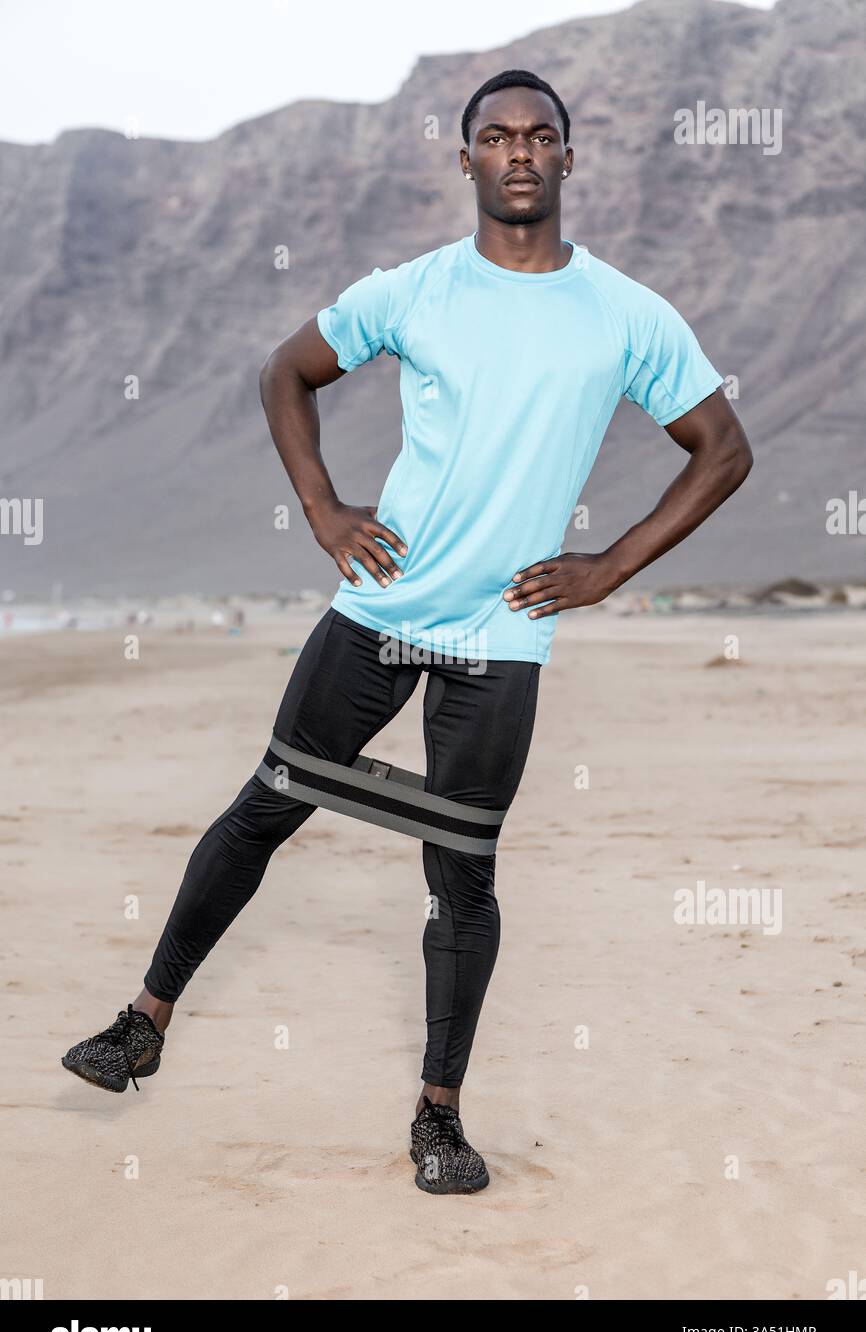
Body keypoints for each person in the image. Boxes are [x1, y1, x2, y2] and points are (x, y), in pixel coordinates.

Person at [61, 69, 753, 1195]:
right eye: (495, 135)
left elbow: (721, 448)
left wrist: (608, 566)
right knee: (264, 807)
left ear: (568, 160)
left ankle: (438, 1116)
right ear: (466, 159)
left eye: (540, 137)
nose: (518, 151)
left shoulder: (628, 314)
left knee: (460, 873)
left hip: (505, 633)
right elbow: (285, 371)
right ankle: (143, 1020)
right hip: (381, 608)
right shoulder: (416, 290)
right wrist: (326, 510)